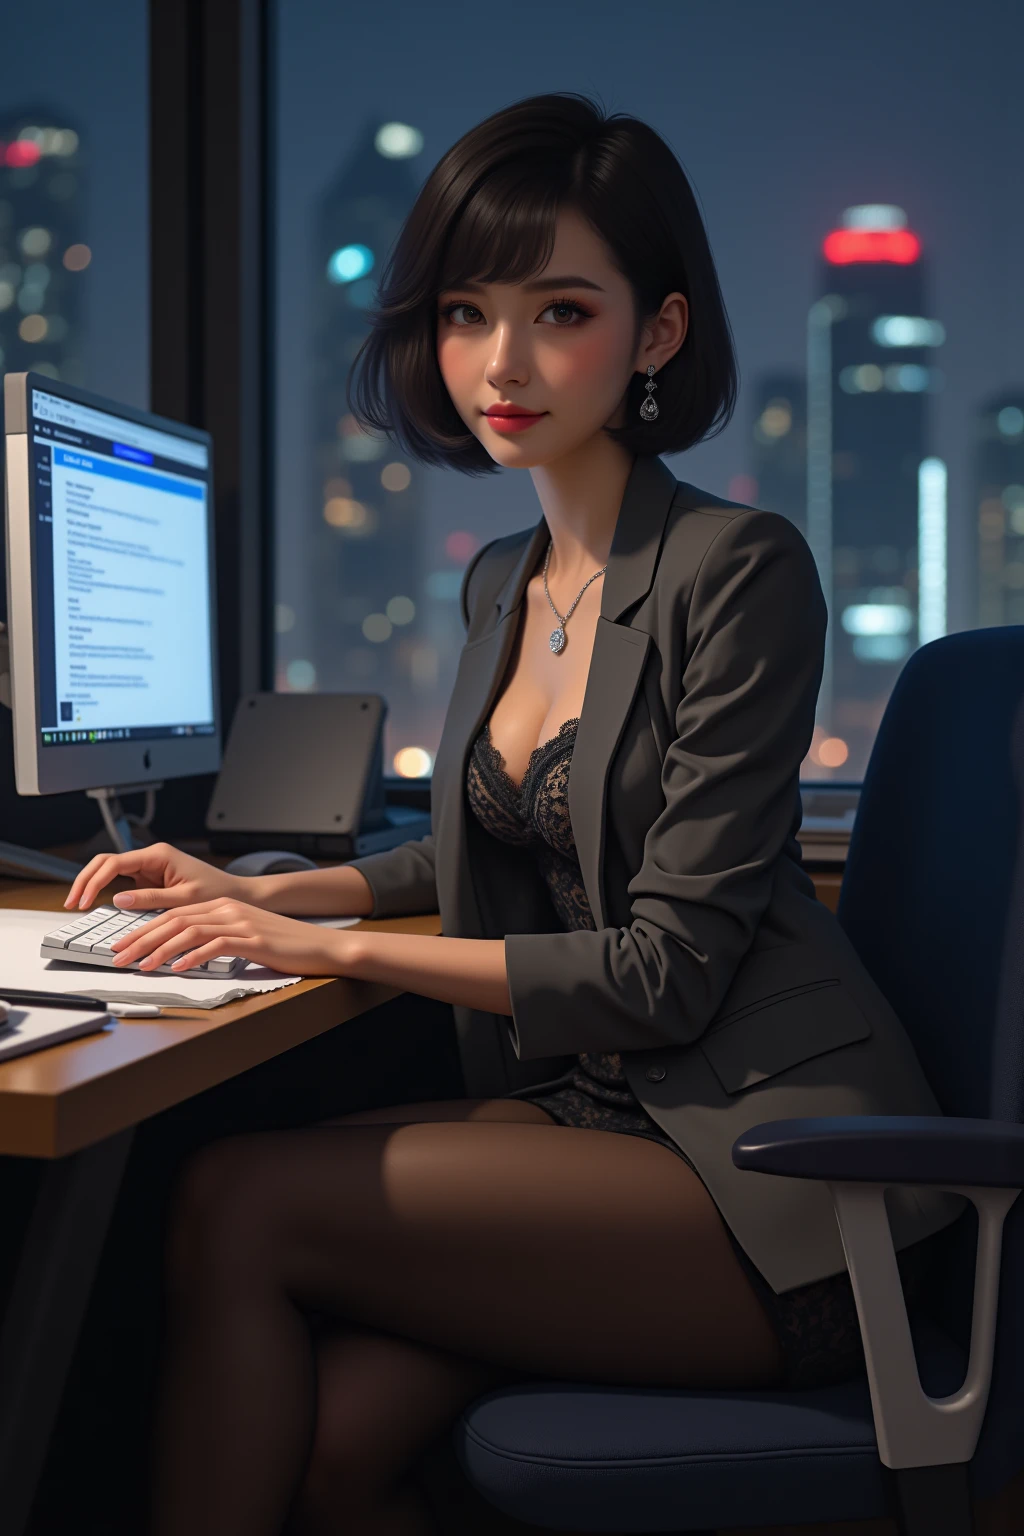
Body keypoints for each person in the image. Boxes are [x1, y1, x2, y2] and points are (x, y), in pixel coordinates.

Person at [65, 92, 959, 1536]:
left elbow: (665, 968)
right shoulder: (503, 579)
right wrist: (286, 894)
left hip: (783, 1184)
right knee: (333, 1449)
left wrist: (331, 956)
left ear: (656, 334)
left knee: (234, 1200)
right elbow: (491, 839)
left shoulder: (740, 570)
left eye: (559, 311)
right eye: (468, 313)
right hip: (600, 1123)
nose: (502, 362)